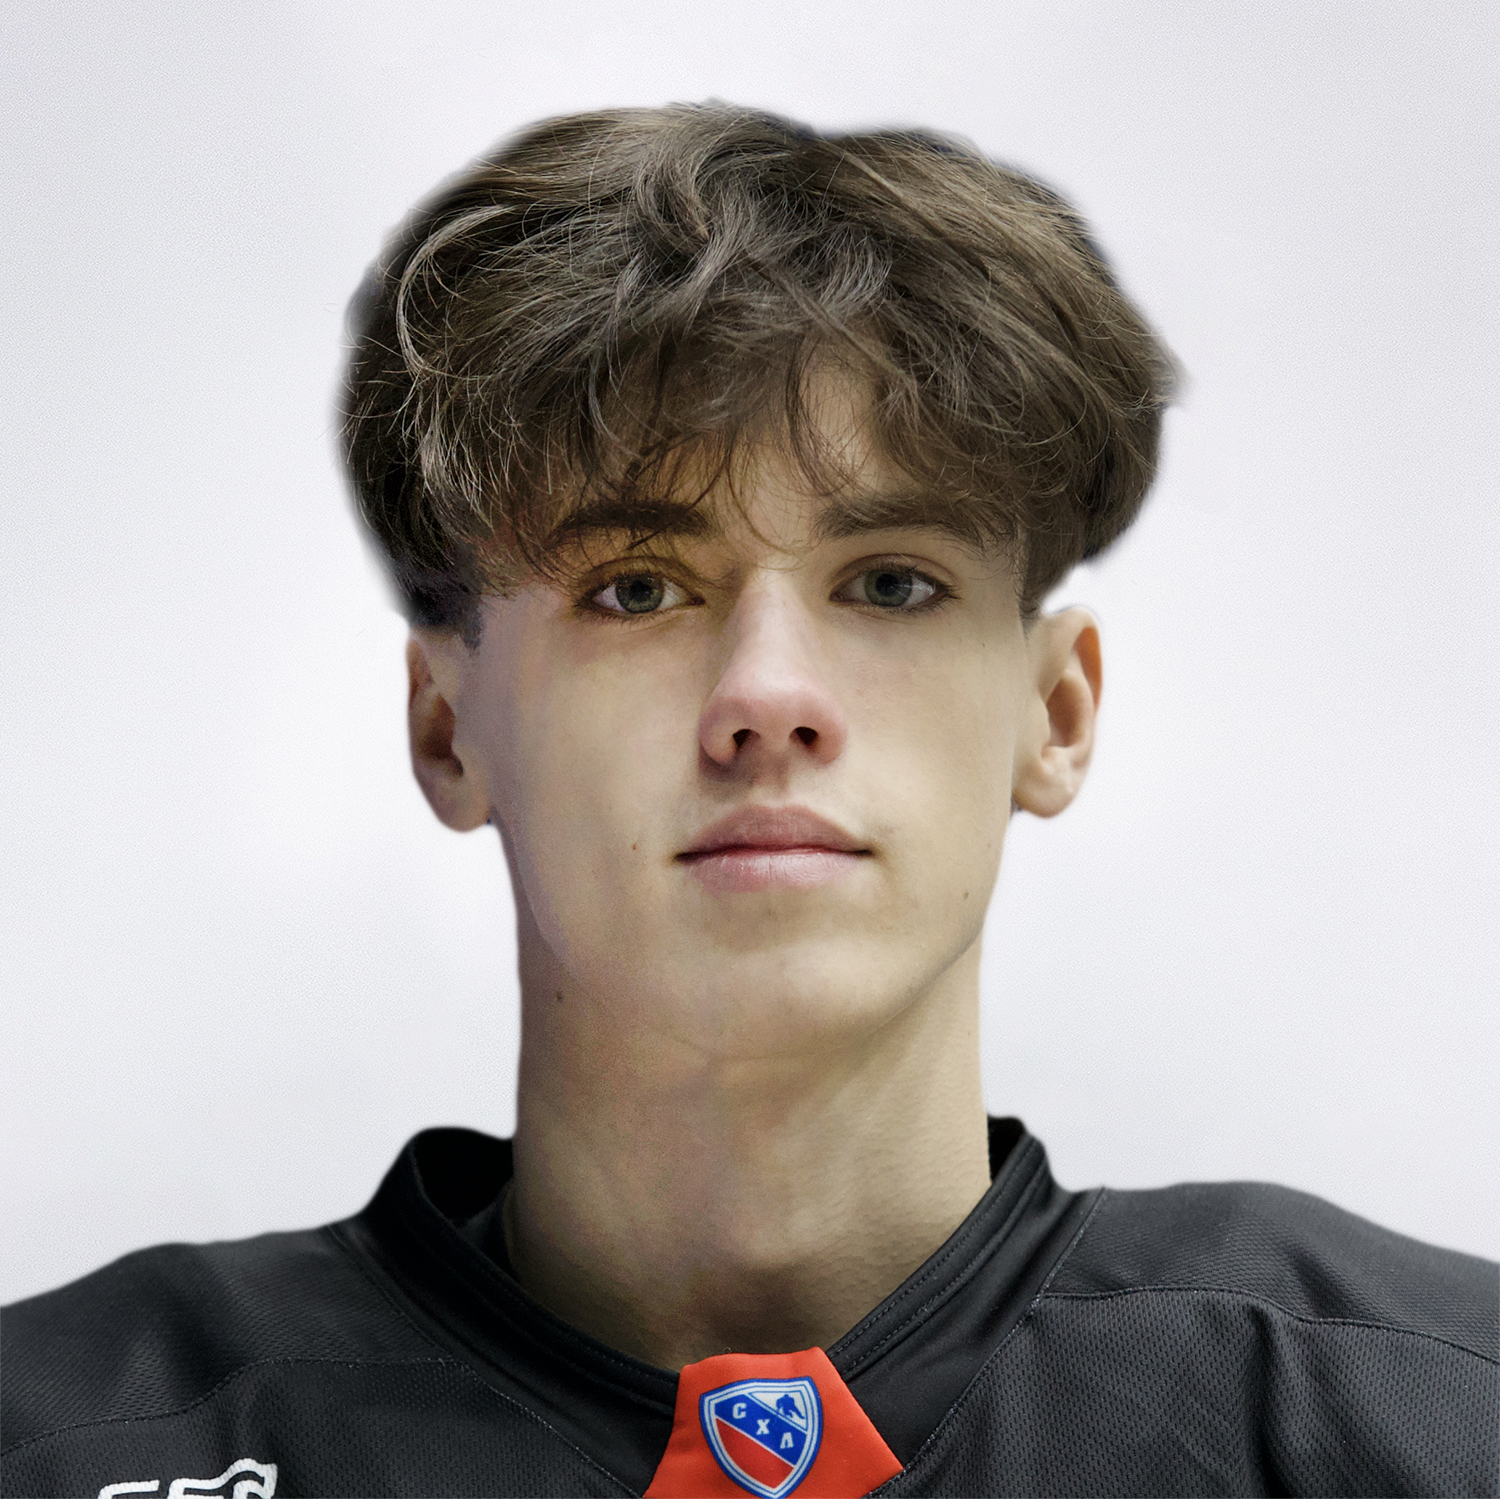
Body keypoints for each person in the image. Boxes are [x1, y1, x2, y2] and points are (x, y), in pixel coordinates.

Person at [2, 104, 1494, 1499]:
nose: (769, 696)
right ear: (449, 730)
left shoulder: (1433, 1416)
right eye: (637, 588)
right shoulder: (61, 1438)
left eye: (892, 583)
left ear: (1055, 713)